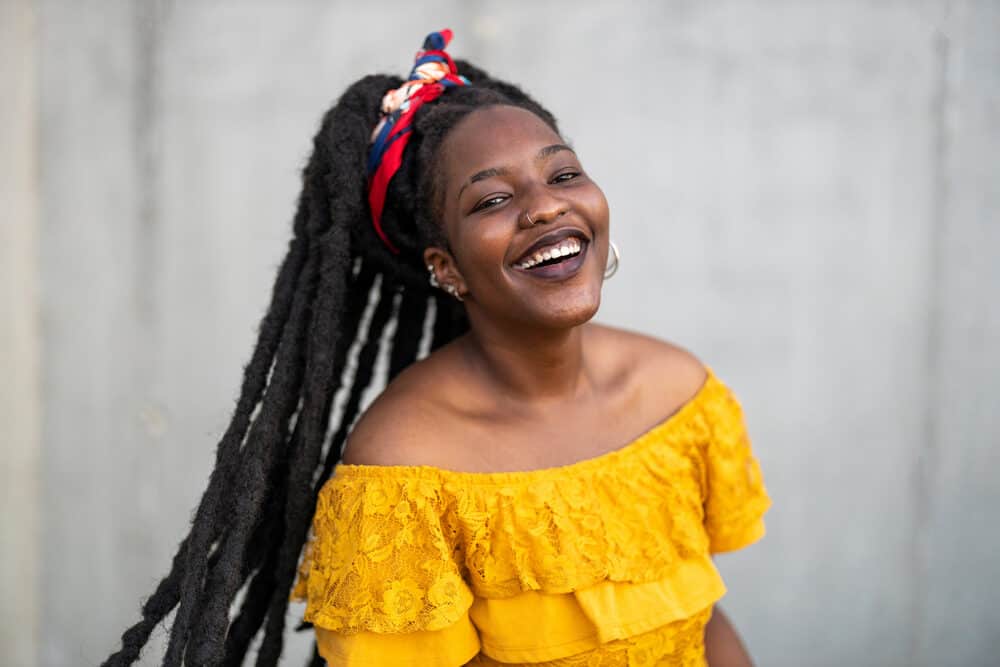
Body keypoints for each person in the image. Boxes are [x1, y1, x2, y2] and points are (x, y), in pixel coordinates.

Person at [104, 29, 770, 667]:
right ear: (445, 267)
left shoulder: (680, 397)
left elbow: (701, 619)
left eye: (563, 175)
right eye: (493, 200)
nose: (544, 208)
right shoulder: (404, 467)